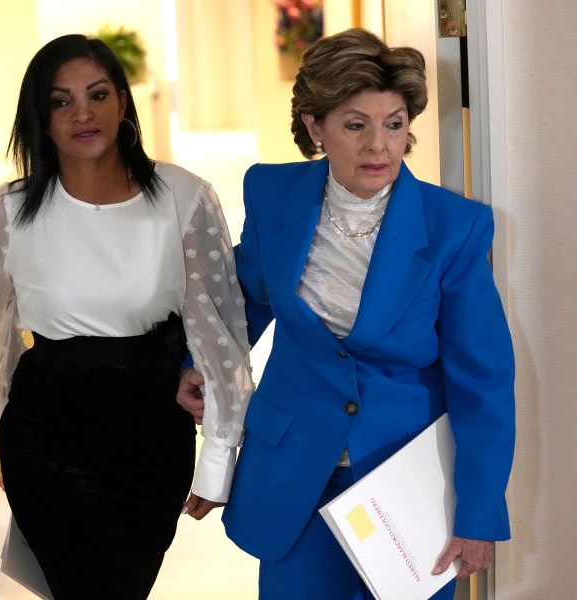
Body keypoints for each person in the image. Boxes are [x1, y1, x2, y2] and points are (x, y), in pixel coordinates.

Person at [177, 28, 515, 599]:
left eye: (395, 123)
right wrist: (199, 365)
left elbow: (482, 381)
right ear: (315, 126)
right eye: (356, 125)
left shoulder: (454, 227)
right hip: (293, 471)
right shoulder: (271, 194)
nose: (379, 146)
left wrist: (478, 512)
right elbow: (242, 296)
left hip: (404, 482)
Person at [0, 34, 254, 600]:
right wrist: (2, 439)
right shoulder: (7, 210)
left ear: (123, 104)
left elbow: (220, 333)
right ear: (43, 118)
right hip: (45, 435)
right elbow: (0, 336)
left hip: (149, 437)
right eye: (61, 101)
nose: (82, 112)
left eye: (97, 94)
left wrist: (218, 457)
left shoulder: (184, 197)